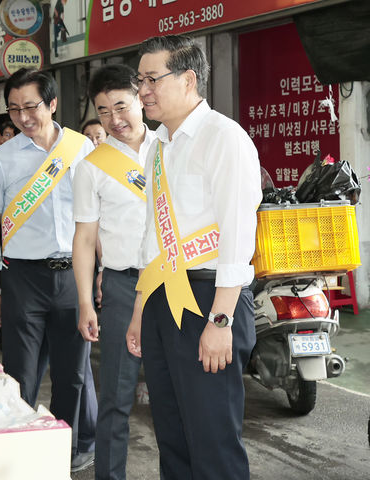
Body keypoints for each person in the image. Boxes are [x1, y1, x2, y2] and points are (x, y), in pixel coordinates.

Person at [128, 35, 261, 480]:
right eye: (139, 79)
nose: (142, 89)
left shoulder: (223, 138)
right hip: (164, 300)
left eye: (152, 78)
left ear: (188, 79)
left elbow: (239, 235)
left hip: (209, 301)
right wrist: (139, 310)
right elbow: (153, 239)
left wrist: (221, 321)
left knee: (212, 440)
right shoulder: (160, 147)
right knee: (173, 435)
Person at [0, 68, 97, 473]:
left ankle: (61, 452)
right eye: (14, 109)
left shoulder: (83, 151)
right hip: (22, 279)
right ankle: (19, 453)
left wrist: (97, 277)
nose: (23, 117)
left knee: (73, 376)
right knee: (19, 374)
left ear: (52, 104)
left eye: (31, 107)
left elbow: (95, 221)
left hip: (73, 277)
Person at [73, 64, 156, 480]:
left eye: (121, 105)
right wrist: (86, 301)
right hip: (124, 287)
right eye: (103, 111)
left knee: (179, 397)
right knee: (117, 397)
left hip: (176, 282)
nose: (114, 119)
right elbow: (85, 239)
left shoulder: (171, 148)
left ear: (142, 97)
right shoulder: (92, 165)